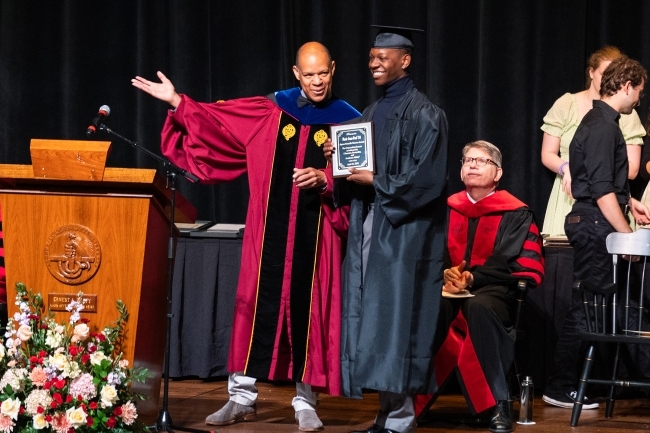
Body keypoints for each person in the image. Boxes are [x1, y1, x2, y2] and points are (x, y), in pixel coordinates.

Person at [131, 42, 360, 431]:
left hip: (317, 237)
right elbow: (219, 122)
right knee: (252, 305)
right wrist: (177, 102)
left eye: (323, 73)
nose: (317, 81)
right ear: (296, 73)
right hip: (266, 233)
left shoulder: (350, 120)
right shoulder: (272, 108)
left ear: (333, 69)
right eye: (309, 74)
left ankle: (306, 401)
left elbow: (360, 181)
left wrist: (325, 179)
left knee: (310, 312)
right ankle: (240, 398)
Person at [327, 26, 448, 433]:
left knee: (397, 320)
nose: (373, 63)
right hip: (370, 225)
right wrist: (337, 159)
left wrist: (375, 181)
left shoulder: (426, 114)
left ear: (405, 60)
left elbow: (427, 181)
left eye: (383, 57)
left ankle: (401, 416)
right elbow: (356, 170)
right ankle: (386, 412)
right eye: (371, 56)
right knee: (372, 320)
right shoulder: (369, 113)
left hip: (404, 234)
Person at [413, 141, 544, 433]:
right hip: (446, 288)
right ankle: (409, 400)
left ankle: (499, 404)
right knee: (427, 308)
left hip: (494, 290)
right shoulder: (445, 207)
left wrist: (472, 279)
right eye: (468, 160)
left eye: (481, 161)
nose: (472, 164)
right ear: (461, 171)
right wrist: (447, 274)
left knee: (479, 306)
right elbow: (431, 252)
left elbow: (507, 258)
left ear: (498, 173)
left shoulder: (515, 211)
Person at [542, 55, 650, 409]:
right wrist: (627, 236)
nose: (639, 99)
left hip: (594, 221)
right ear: (626, 85)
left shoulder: (596, 121)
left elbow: (601, 182)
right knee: (588, 309)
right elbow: (600, 191)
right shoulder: (604, 125)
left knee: (609, 306)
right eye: (639, 92)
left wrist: (627, 202)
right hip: (595, 225)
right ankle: (559, 386)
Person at [540, 46, 646, 238]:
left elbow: (618, 173)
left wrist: (627, 201)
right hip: (577, 198)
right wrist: (567, 168)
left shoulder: (620, 116)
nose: (610, 80)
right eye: (606, 73)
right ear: (591, 72)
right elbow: (548, 153)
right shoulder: (597, 121)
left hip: (602, 202)